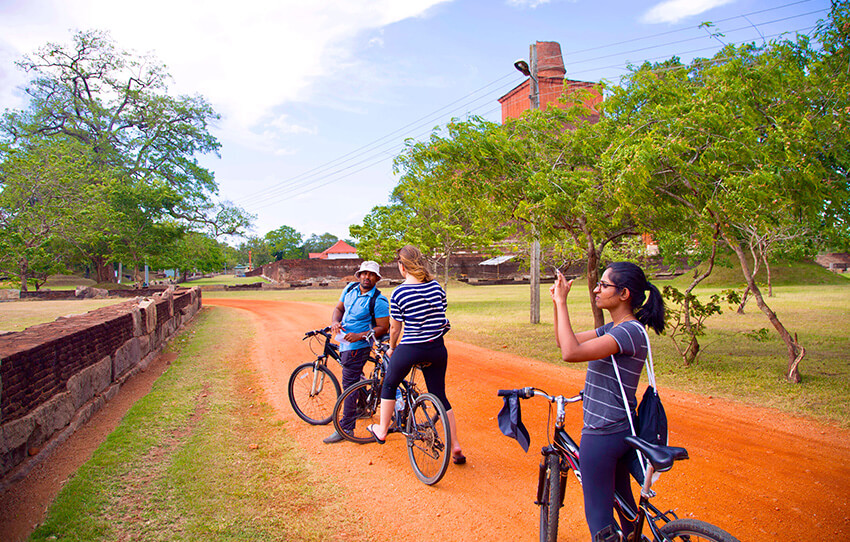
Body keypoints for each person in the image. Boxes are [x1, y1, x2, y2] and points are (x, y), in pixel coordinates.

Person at [549, 262, 665, 542]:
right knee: (626, 515)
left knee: (600, 523)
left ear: (624, 293)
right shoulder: (617, 328)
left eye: (604, 285)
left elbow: (570, 352)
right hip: (620, 430)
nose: (596, 289)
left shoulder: (627, 332)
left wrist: (563, 303)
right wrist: (556, 303)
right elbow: (565, 341)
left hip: (602, 432)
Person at [366, 245, 465, 465]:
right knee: (439, 395)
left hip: (411, 348)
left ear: (402, 267)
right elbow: (442, 313)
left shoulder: (400, 292)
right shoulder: (436, 287)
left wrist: (392, 347)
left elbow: (394, 328)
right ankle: (456, 445)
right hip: (437, 348)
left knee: (390, 384)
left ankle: (382, 430)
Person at [323, 260, 390, 444]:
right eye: (364, 273)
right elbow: (339, 309)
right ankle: (362, 407)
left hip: (358, 347)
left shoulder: (378, 300)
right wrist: (335, 321)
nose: (367, 277)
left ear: (376, 278)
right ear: (359, 275)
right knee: (354, 378)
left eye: (371, 275)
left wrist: (360, 336)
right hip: (344, 341)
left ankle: (346, 427)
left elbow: (383, 327)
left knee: (349, 385)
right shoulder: (350, 289)